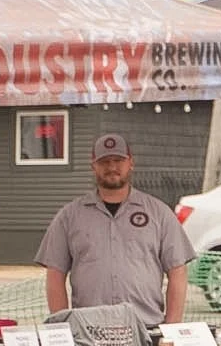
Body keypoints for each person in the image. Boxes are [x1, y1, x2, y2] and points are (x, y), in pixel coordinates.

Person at [36, 132, 193, 330]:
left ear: (131, 163)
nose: (112, 167)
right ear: (93, 166)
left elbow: (178, 271)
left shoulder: (159, 213)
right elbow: (55, 275)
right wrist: (62, 329)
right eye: (104, 161)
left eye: (118, 160)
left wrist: (172, 329)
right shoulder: (69, 217)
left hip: (146, 328)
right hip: (89, 332)